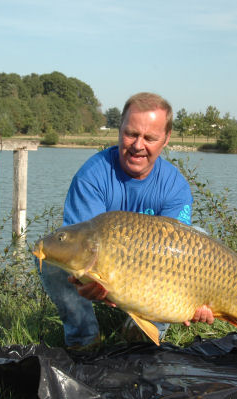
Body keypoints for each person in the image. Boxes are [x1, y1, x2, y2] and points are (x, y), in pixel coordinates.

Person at [39, 92, 214, 349]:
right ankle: (84, 341)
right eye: (131, 134)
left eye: (150, 138)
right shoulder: (93, 175)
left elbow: (174, 267)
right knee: (51, 254)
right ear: (119, 130)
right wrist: (82, 282)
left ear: (165, 139)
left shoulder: (174, 186)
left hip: (152, 280)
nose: (138, 145)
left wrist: (197, 304)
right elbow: (80, 246)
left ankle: (140, 337)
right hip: (104, 273)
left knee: (197, 235)